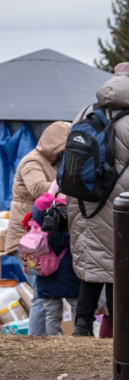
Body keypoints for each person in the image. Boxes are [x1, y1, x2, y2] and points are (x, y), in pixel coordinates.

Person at [68, 62, 129, 336]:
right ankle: (120, 330)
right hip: (123, 200)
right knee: (119, 262)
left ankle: (82, 326)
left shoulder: (84, 111)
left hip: (82, 199)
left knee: (93, 262)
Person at [3, 120, 71, 336]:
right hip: (27, 239)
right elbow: (36, 188)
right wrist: (66, 187)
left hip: (40, 240)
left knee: (43, 293)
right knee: (42, 293)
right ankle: (37, 340)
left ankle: (39, 340)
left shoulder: (53, 163)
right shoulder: (32, 161)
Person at [30, 192, 80, 336]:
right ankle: (79, 338)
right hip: (70, 275)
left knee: (52, 314)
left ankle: (54, 339)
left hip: (46, 277)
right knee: (78, 308)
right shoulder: (67, 230)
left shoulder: (35, 231)